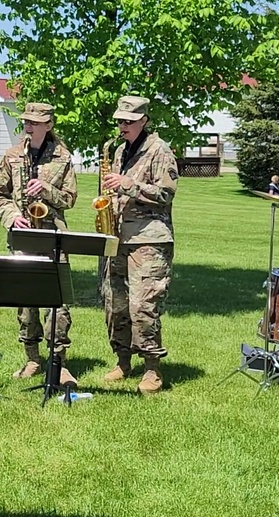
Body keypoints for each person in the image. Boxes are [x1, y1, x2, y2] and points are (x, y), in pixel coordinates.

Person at [0, 102, 78, 386]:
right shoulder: (12, 155)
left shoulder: (63, 157)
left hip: (53, 236)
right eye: (26, 121)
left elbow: (70, 199)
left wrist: (47, 190)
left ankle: (59, 361)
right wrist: (13, 217)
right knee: (25, 302)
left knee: (57, 302)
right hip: (22, 236)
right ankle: (32, 358)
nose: (29, 126)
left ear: (48, 125)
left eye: (35, 122)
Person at [100, 95, 179, 395]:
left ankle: (152, 368)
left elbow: (165, 194)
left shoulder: (160, 151)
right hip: (119, 237)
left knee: (143, 305)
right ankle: (123, 360)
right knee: (114, 303)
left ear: (144, 120)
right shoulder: (119, 150)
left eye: (128, 122)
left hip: (150, 239)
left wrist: (128, 185)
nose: (122, 127)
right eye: (120, 121)